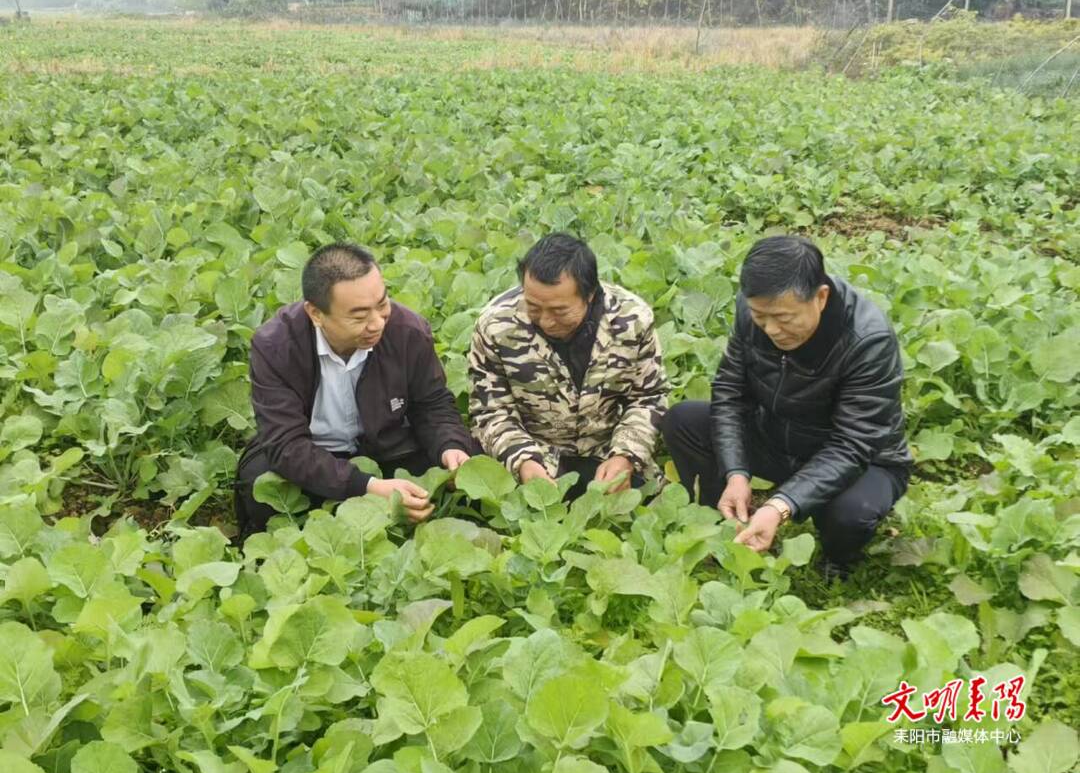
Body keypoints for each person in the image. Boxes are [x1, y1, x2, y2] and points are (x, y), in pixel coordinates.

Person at [662, 235, 913, 578]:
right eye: (760, 317)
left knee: (851, 514)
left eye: (783, 318)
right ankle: (725, 519)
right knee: (682, 421)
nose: (771, 330)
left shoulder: (868, 340)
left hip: (859, 458)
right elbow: (730, 392)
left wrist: (780, 506)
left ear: (820, 297)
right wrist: (735, 472)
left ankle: (838, 558)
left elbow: (853, 444)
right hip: (777, 436)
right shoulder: (754, 313)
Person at [233, 242, 474, 538]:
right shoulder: (276, 346)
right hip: (314, 452)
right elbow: (287, 445)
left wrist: (450, 447)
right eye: (359, 317)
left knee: (463, 461)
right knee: (262, 488)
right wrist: (369, 487)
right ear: (316, 313)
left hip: (388, 446)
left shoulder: (408, 331)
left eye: (382, 304)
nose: (377, 323)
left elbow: (433, 404)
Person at [469, 233, 667, 499]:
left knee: (648, 504)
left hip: (607, 456)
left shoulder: (633, 319)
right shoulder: (496, 325)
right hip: (536, 459)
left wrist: (626, 455)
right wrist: (523, 461)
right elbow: (490, 412)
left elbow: (649, 398)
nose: (547, 322)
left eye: (560, 311)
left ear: (590, 294)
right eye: (534, 307)